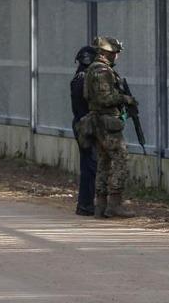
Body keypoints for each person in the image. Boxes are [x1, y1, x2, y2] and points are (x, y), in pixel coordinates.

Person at [83, 36, 137, 218]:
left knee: (104, 162)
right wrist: (124, 98)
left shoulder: (93, 69)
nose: (116, 56)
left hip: (99, 121)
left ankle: (101, 204)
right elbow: (104, 98)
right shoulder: (102, 71)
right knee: (121, 159)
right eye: (114, 53)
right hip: (107, 122)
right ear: (106, 52)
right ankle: (114, 202)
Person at [71, 45, 98, 216]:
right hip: (87, 124)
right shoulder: (84, 79)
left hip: (80, 123)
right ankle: (86, 204)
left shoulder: (77, 77)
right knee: (90, 165)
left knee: (87, 165)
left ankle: (85, 204)